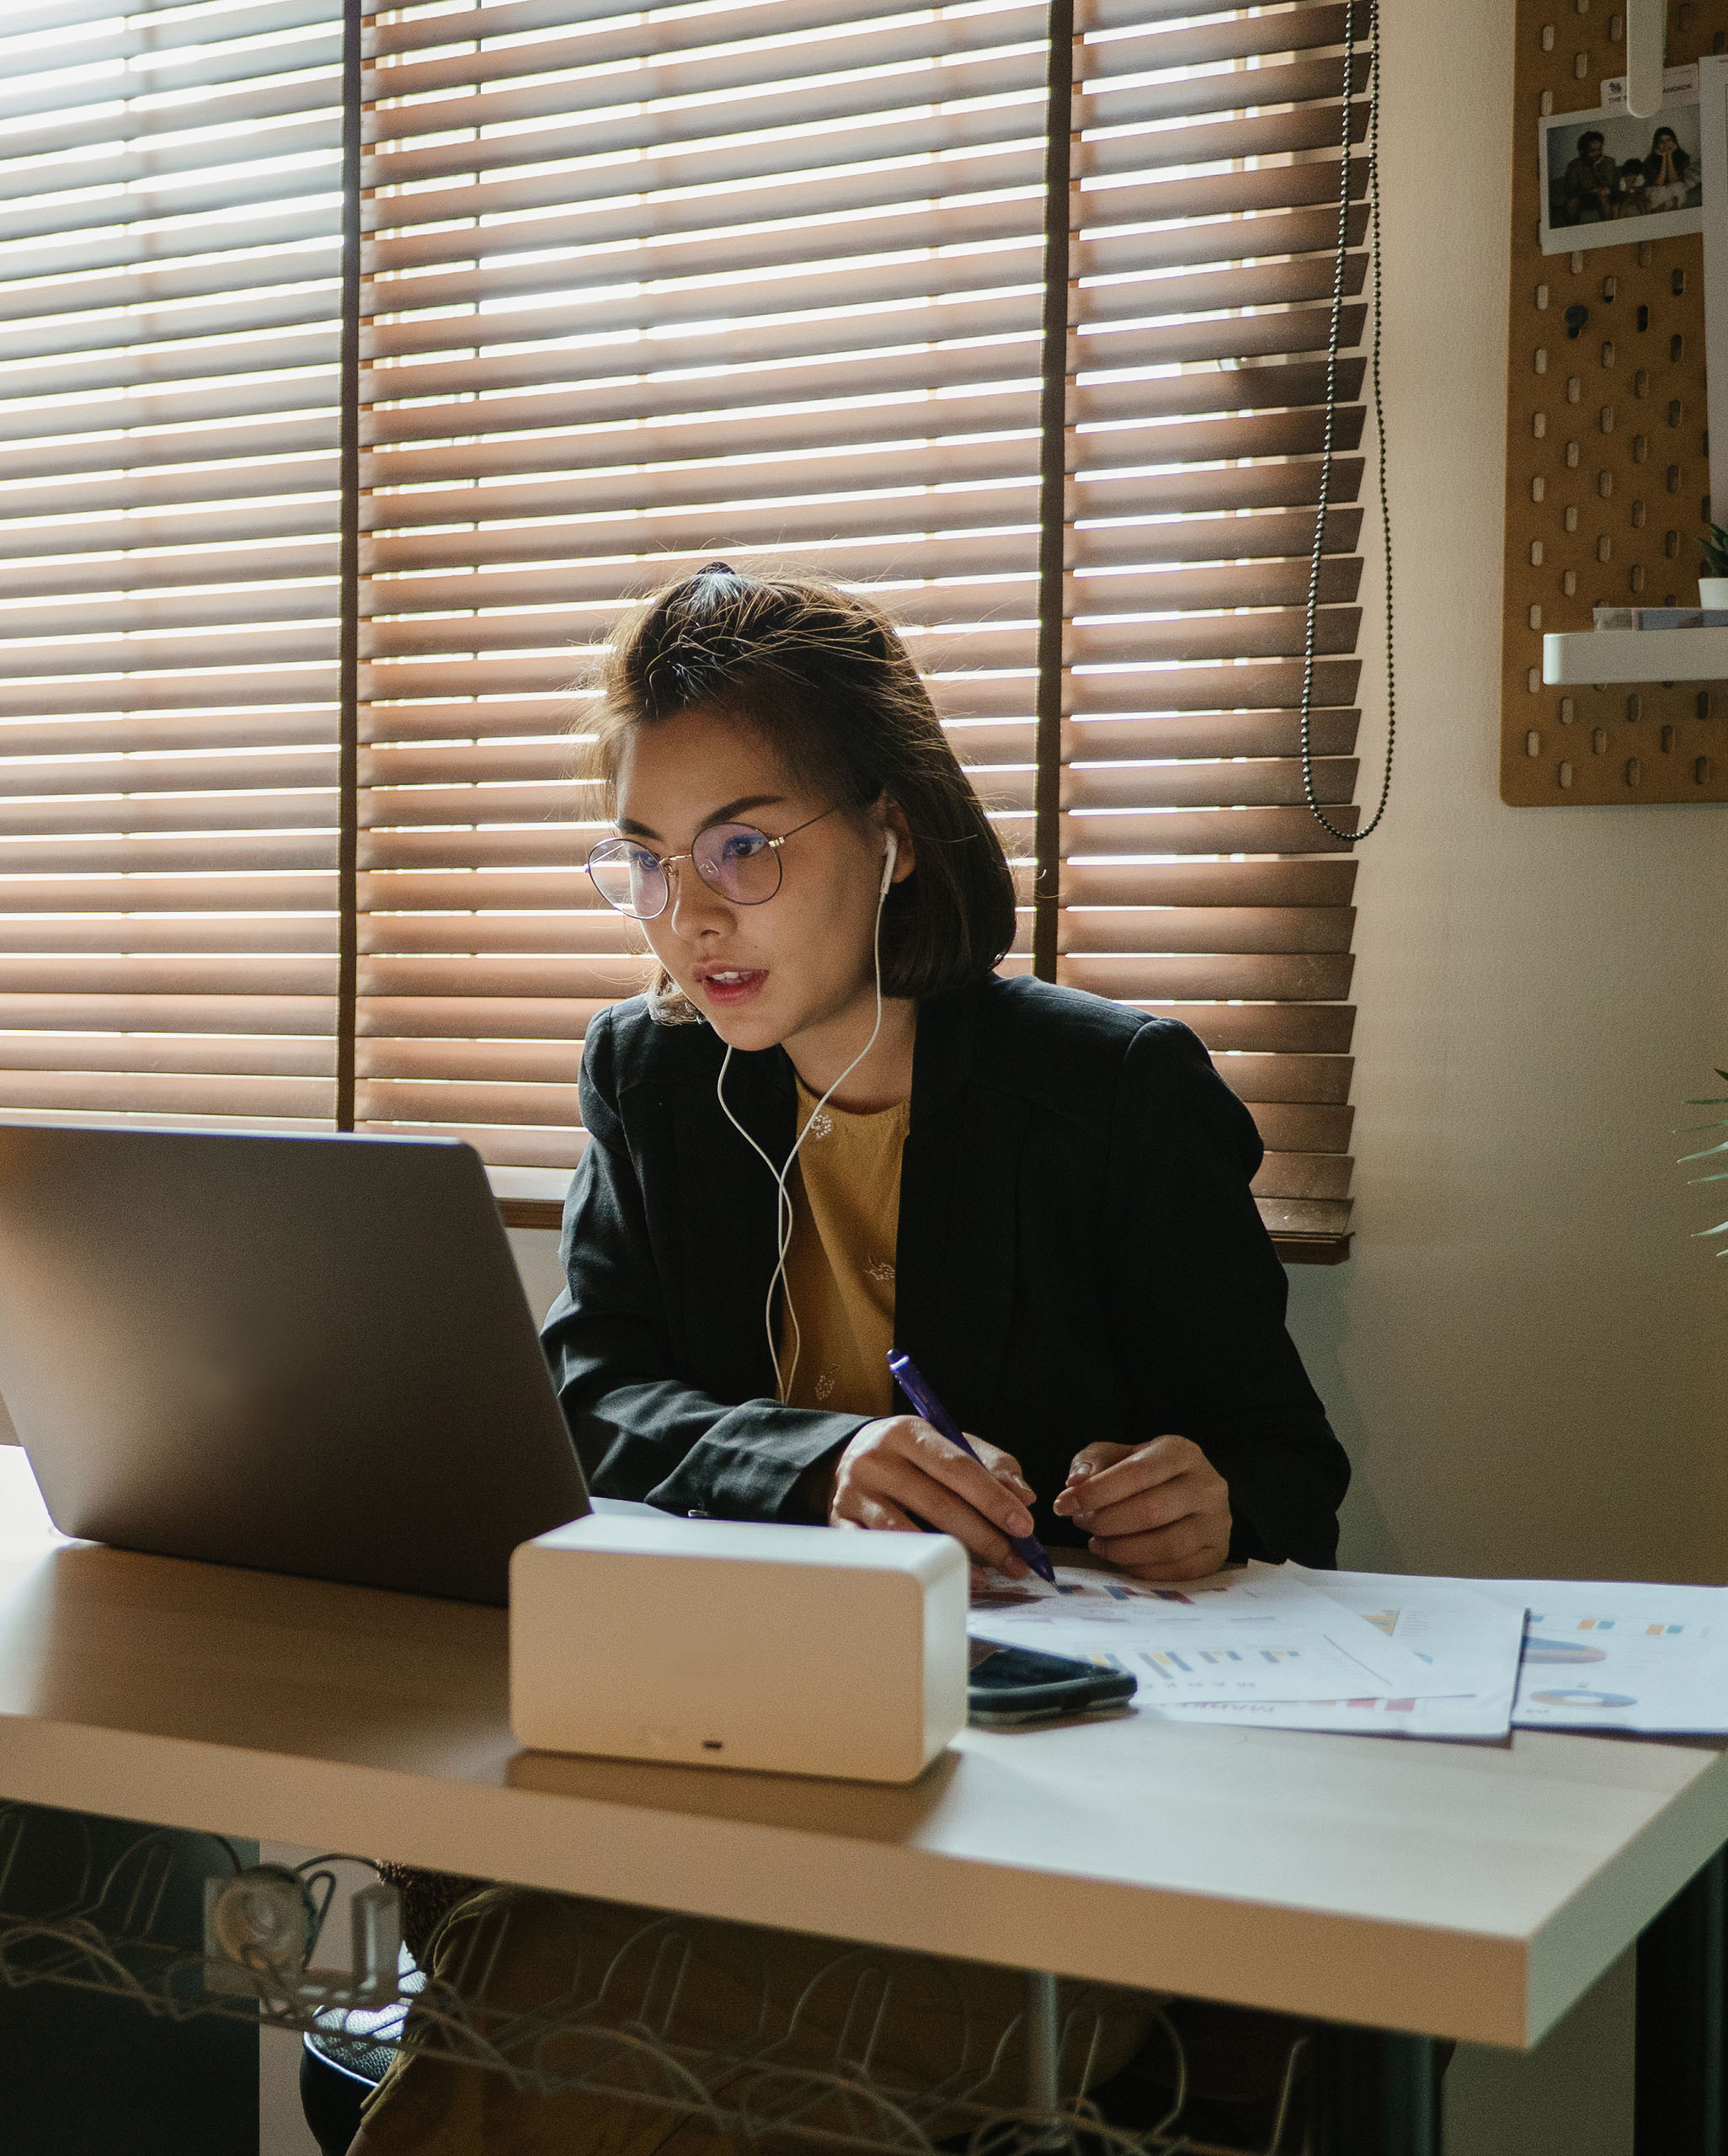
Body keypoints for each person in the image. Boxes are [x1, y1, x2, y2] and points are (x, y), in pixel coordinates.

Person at [348, 563, 1345, 2156]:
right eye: (650, 860)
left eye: (746, 844)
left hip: (1021, 1793)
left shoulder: (1110, 1093)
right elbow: (584, 1393)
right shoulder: (651, 1075)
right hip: (735, 1735)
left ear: (889, 836)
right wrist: (819, 1462)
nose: (692, 914)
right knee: (570, 1973)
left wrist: (1212, 1495)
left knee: (563, 2008)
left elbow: (1294, 1469)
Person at [1556, 128, 1622, 224]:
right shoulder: (1574, 166)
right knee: (1572, 203)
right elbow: (1569, 191)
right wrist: (1592, 190)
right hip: (1585, 197)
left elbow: (1613, 185)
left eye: (1599, 149)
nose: (1597, 153)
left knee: (1603, 197)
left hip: (1607, 196)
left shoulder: (1609, 162)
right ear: (1583, 151)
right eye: (1593, 150)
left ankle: (1609, 231)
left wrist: (1597, 169)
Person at [1638, 124, 1700, 213]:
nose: (1666, 144)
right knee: (1661, 192)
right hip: (1654, 188)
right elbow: (1659, 183)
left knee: (1677, 187)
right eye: (1662, 142)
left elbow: (1674, 180)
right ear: (1657, 145)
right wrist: (1664, 158)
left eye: (1669, 140)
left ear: (1674, 142)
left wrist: (1669, 156)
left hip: (1672, 186)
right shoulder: (1650, 159)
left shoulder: (1682, 156)